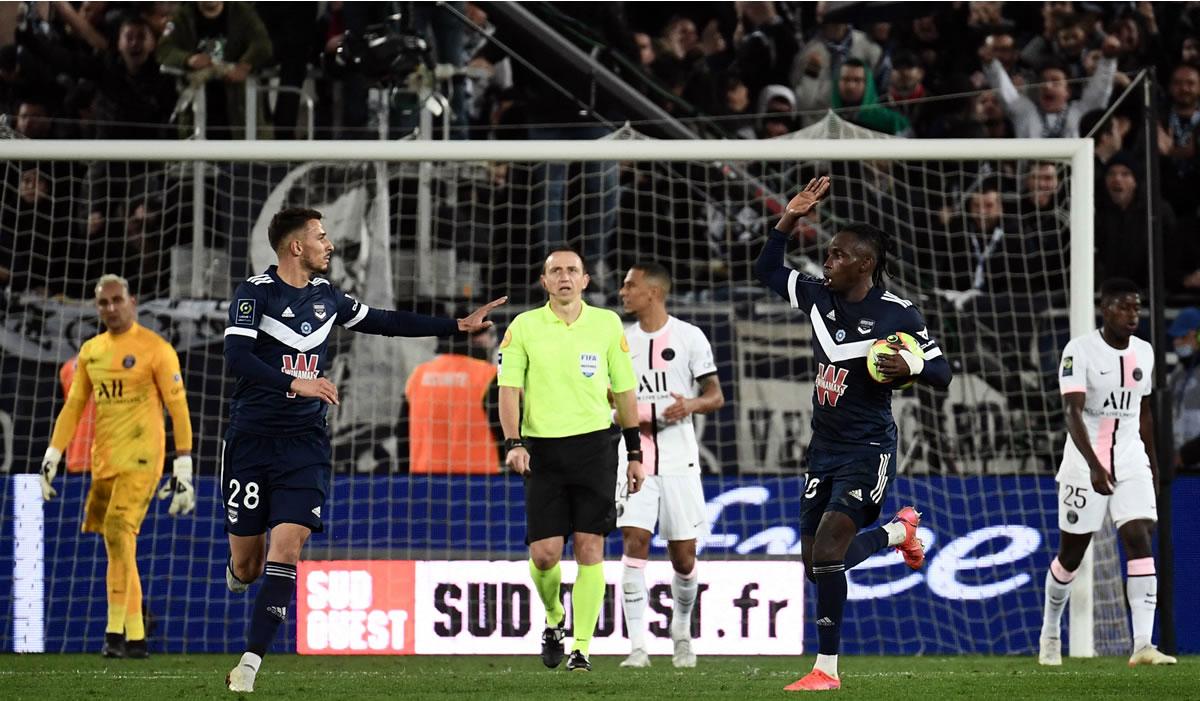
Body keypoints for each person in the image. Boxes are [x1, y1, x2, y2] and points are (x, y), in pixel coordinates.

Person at [221, 207, 505, 692]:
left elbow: (386, 321)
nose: (330, 245)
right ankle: (237, 570)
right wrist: (297, 383)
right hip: (250, 440)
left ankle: (249, 663)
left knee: (287, 550)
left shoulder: (328, 297)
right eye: (322, 237)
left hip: (305, 444)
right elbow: (237, 356)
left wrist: (455, 325)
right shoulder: (256, 293)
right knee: (248, 565)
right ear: (296, 247)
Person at [753, 177, 952, 691]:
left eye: (839, 255)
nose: (828, 260)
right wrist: (789, 217)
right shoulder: (818, 296)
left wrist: (906, 363)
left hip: (868, 447)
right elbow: (767, 269)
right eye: (829, 252)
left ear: (865, 264)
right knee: (814, 566)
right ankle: (897, 534)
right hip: (823, 448)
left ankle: (827, 670)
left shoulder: (898, 313)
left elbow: (942, 376)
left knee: (827, 554)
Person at [497, 248, 645, 673]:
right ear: (544, 282)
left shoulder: (607, 324)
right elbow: (509, 389)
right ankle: (554, 619)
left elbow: (624, 391)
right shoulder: (523, 326)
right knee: (544, 554)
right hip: (542, 450)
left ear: (585, 281)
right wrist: (513, 443)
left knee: (590, 547)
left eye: (572, 270)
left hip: (596, 448)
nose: (564, 277)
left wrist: (635, 453)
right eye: (555, 271)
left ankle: (581, 647)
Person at [39, 273, 196, 659]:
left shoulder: (156, 349)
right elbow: (74, 407)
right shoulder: (92, 351)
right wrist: (52, 455)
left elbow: (178, 409)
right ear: (97, 308)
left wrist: (184, 467)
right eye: (103, 303)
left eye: (116, 300)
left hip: (144, 458)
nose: (111, 308)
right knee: (118, 544)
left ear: (132, 301)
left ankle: (118, 633)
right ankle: (132, 637)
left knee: (117, 529)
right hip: (105, 460)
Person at [1039, 278, 1177, 668]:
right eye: (1124, 307)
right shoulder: (1079, 350)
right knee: (1072, 556)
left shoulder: (1145, 353)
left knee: (1137, 537)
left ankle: (1143, 645)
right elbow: (1072, 412)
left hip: (1131, 458)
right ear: (1105, 309)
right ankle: (1050, 631)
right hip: (1085, 464)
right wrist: (1096, 466)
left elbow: (1144, 412)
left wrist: (1151, 463)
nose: (1133, 315)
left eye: (1137, 308)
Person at [614, 262, 725, 670]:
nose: (623, 292)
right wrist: (627, 415)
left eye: (630, 286)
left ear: (654, 293)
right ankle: (638, 648)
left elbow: (715, 395)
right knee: (634, 543)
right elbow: (609, 401)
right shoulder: (620, 341)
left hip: (680, 460)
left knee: (683, 557)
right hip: (634, 458)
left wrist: (690, 405)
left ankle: (681, 633)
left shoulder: (690, 336)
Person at [404, 325, 502, 474]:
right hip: (479, 478)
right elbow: (504, 427)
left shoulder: (419, 375)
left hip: (424, 476)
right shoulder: (487, 375)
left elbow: (403, 432)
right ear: (474, 339)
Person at [1168, 308, 1200, 473]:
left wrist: (1188, 454)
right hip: (1180, 465)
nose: (1176, 342)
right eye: (1176, 337)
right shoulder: (1178, 374)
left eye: (1183, 337)